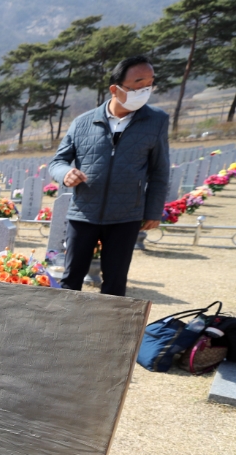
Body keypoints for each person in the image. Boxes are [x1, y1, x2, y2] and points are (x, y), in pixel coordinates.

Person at [49, 55, 169, 297]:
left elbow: (159, 170)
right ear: (115, 89)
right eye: (138, 82)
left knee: (115, 282)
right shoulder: (83, 122)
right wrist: (65, 174)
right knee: (71, 279)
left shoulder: (156, 121)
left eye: (150, 82)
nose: (145, 88)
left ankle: (106, 331)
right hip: (83, 212)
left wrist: (154, 211)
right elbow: (57, 161)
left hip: (126, 215)